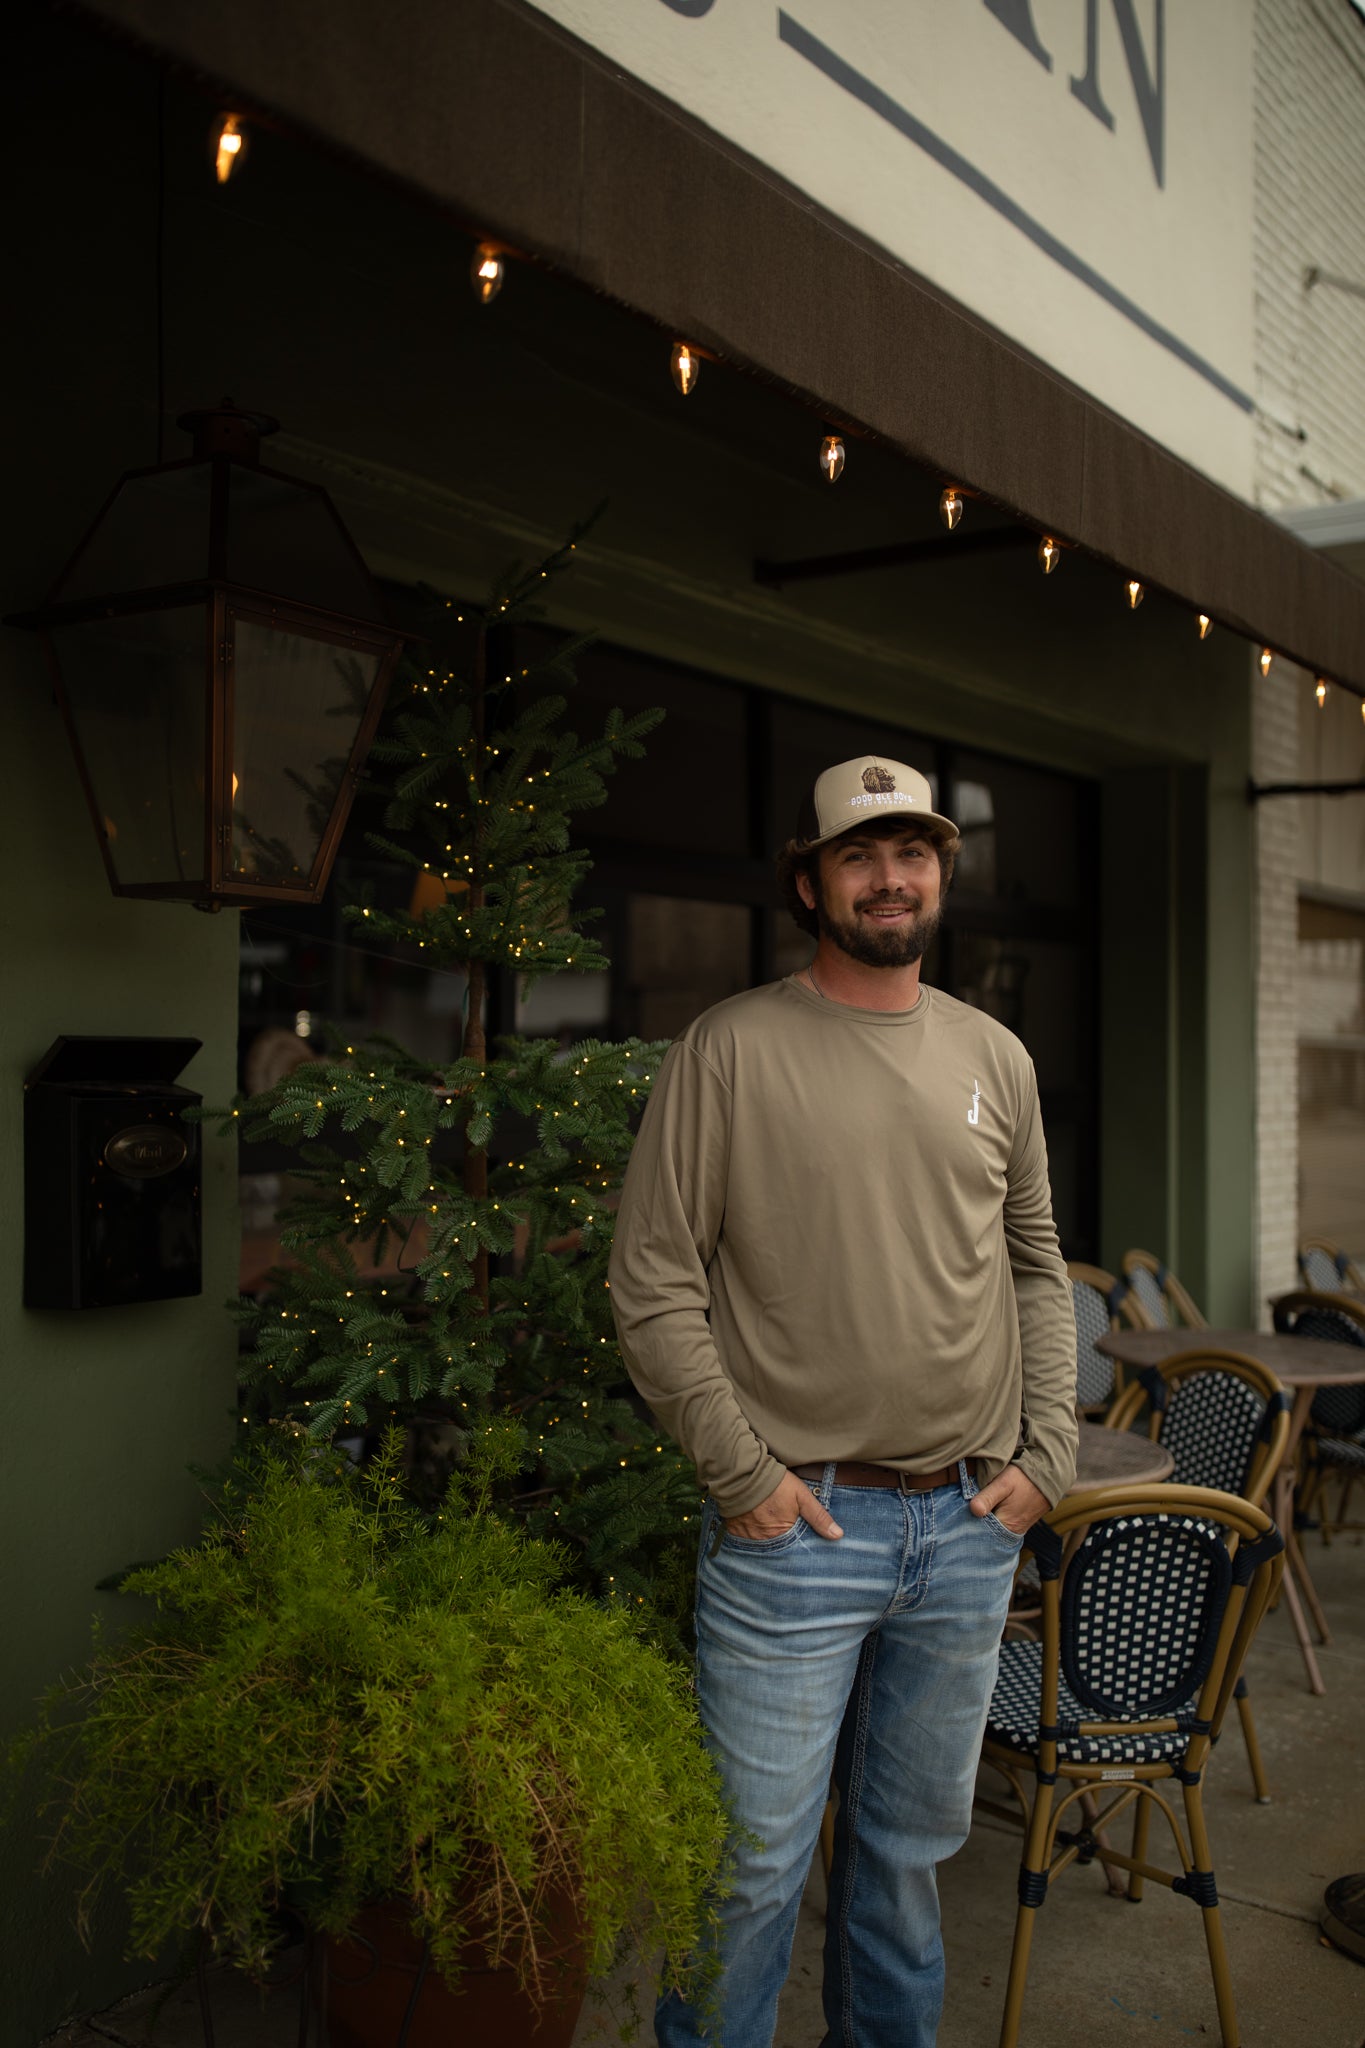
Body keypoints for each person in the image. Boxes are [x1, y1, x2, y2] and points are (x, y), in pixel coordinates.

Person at [607, 754, 1078, 2048]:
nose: (891, 876)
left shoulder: (994, 1056)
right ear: (808, 884)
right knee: (750, 1870)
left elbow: (1036, 1266)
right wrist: (743, 1479)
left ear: (939, 874)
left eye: (913, 851)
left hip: (966, 1530)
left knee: (904, 1868)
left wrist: (1047, 1454)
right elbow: (650, 1284)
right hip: (796, 1532)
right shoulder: (730, 1051)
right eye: (861, 855)